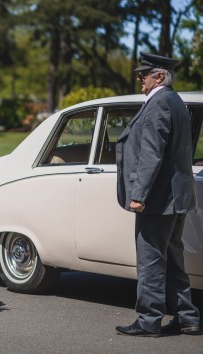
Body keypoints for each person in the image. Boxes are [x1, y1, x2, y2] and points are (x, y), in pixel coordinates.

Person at [115, 52, 201, 337]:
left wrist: (139, 194)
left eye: (145, 74)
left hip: (158, 199)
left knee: (150, 260)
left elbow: (151, 154)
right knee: (174, 258)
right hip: (176, 197)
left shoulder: (159, 103)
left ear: (160, 76)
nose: (140, 78)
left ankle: (149, 320)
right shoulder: (176, 101)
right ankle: (187, 317)